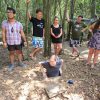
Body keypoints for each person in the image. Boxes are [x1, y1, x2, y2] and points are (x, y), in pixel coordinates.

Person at [2, 7, 27, 71]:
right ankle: (12, 64)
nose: (9, 14)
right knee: (11, 53)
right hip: (10, 42)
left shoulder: (19, 24)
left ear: (14, 14)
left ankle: (20, 62)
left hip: (18, 41)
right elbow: (3, 33)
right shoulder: (4, 23)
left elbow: (22, 33)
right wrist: (4, 42)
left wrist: (25, 40)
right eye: (8, 12)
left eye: (10, 12)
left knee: (19, 52)